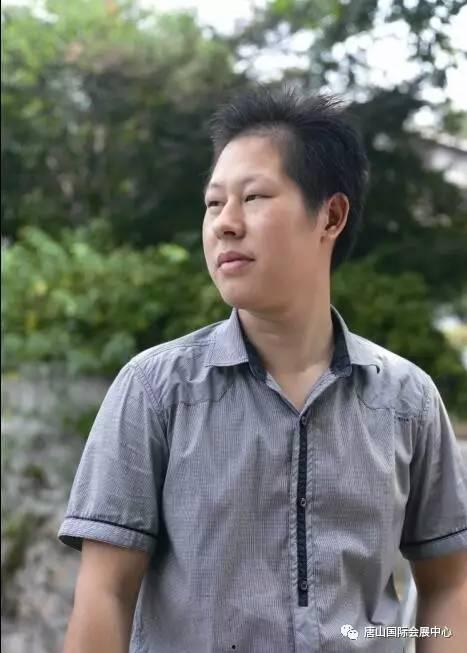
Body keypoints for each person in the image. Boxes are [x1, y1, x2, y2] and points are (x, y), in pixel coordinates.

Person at [58, 86, 467, 653]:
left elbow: (449, 585)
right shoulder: (157, 391)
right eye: (213, 203)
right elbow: (106, 593)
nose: (225, 224)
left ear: (331, 215)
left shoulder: (406, 401)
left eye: (253, 197)